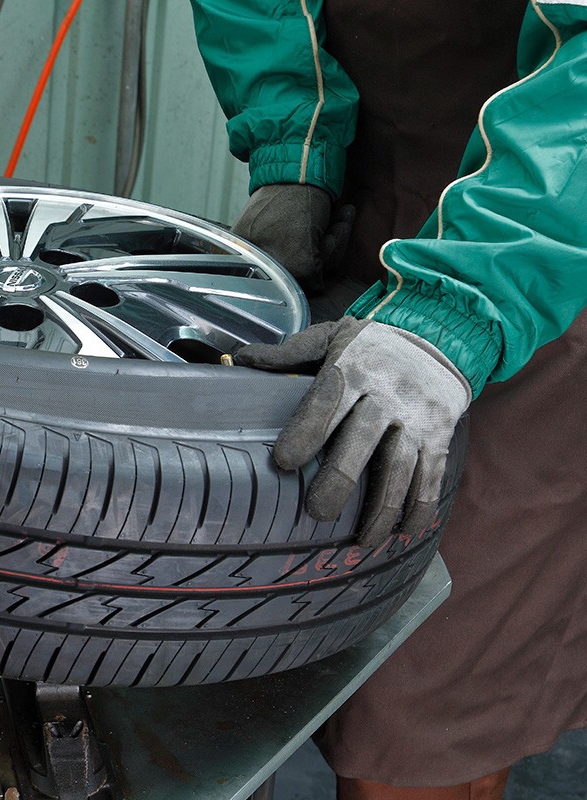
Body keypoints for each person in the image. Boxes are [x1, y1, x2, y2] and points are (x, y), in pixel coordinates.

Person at [187, 1, 587, 797]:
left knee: (425, 694)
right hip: (364, 191)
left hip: (551, 248)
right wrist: (294, 150)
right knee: (250, 612)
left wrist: (463, 304)